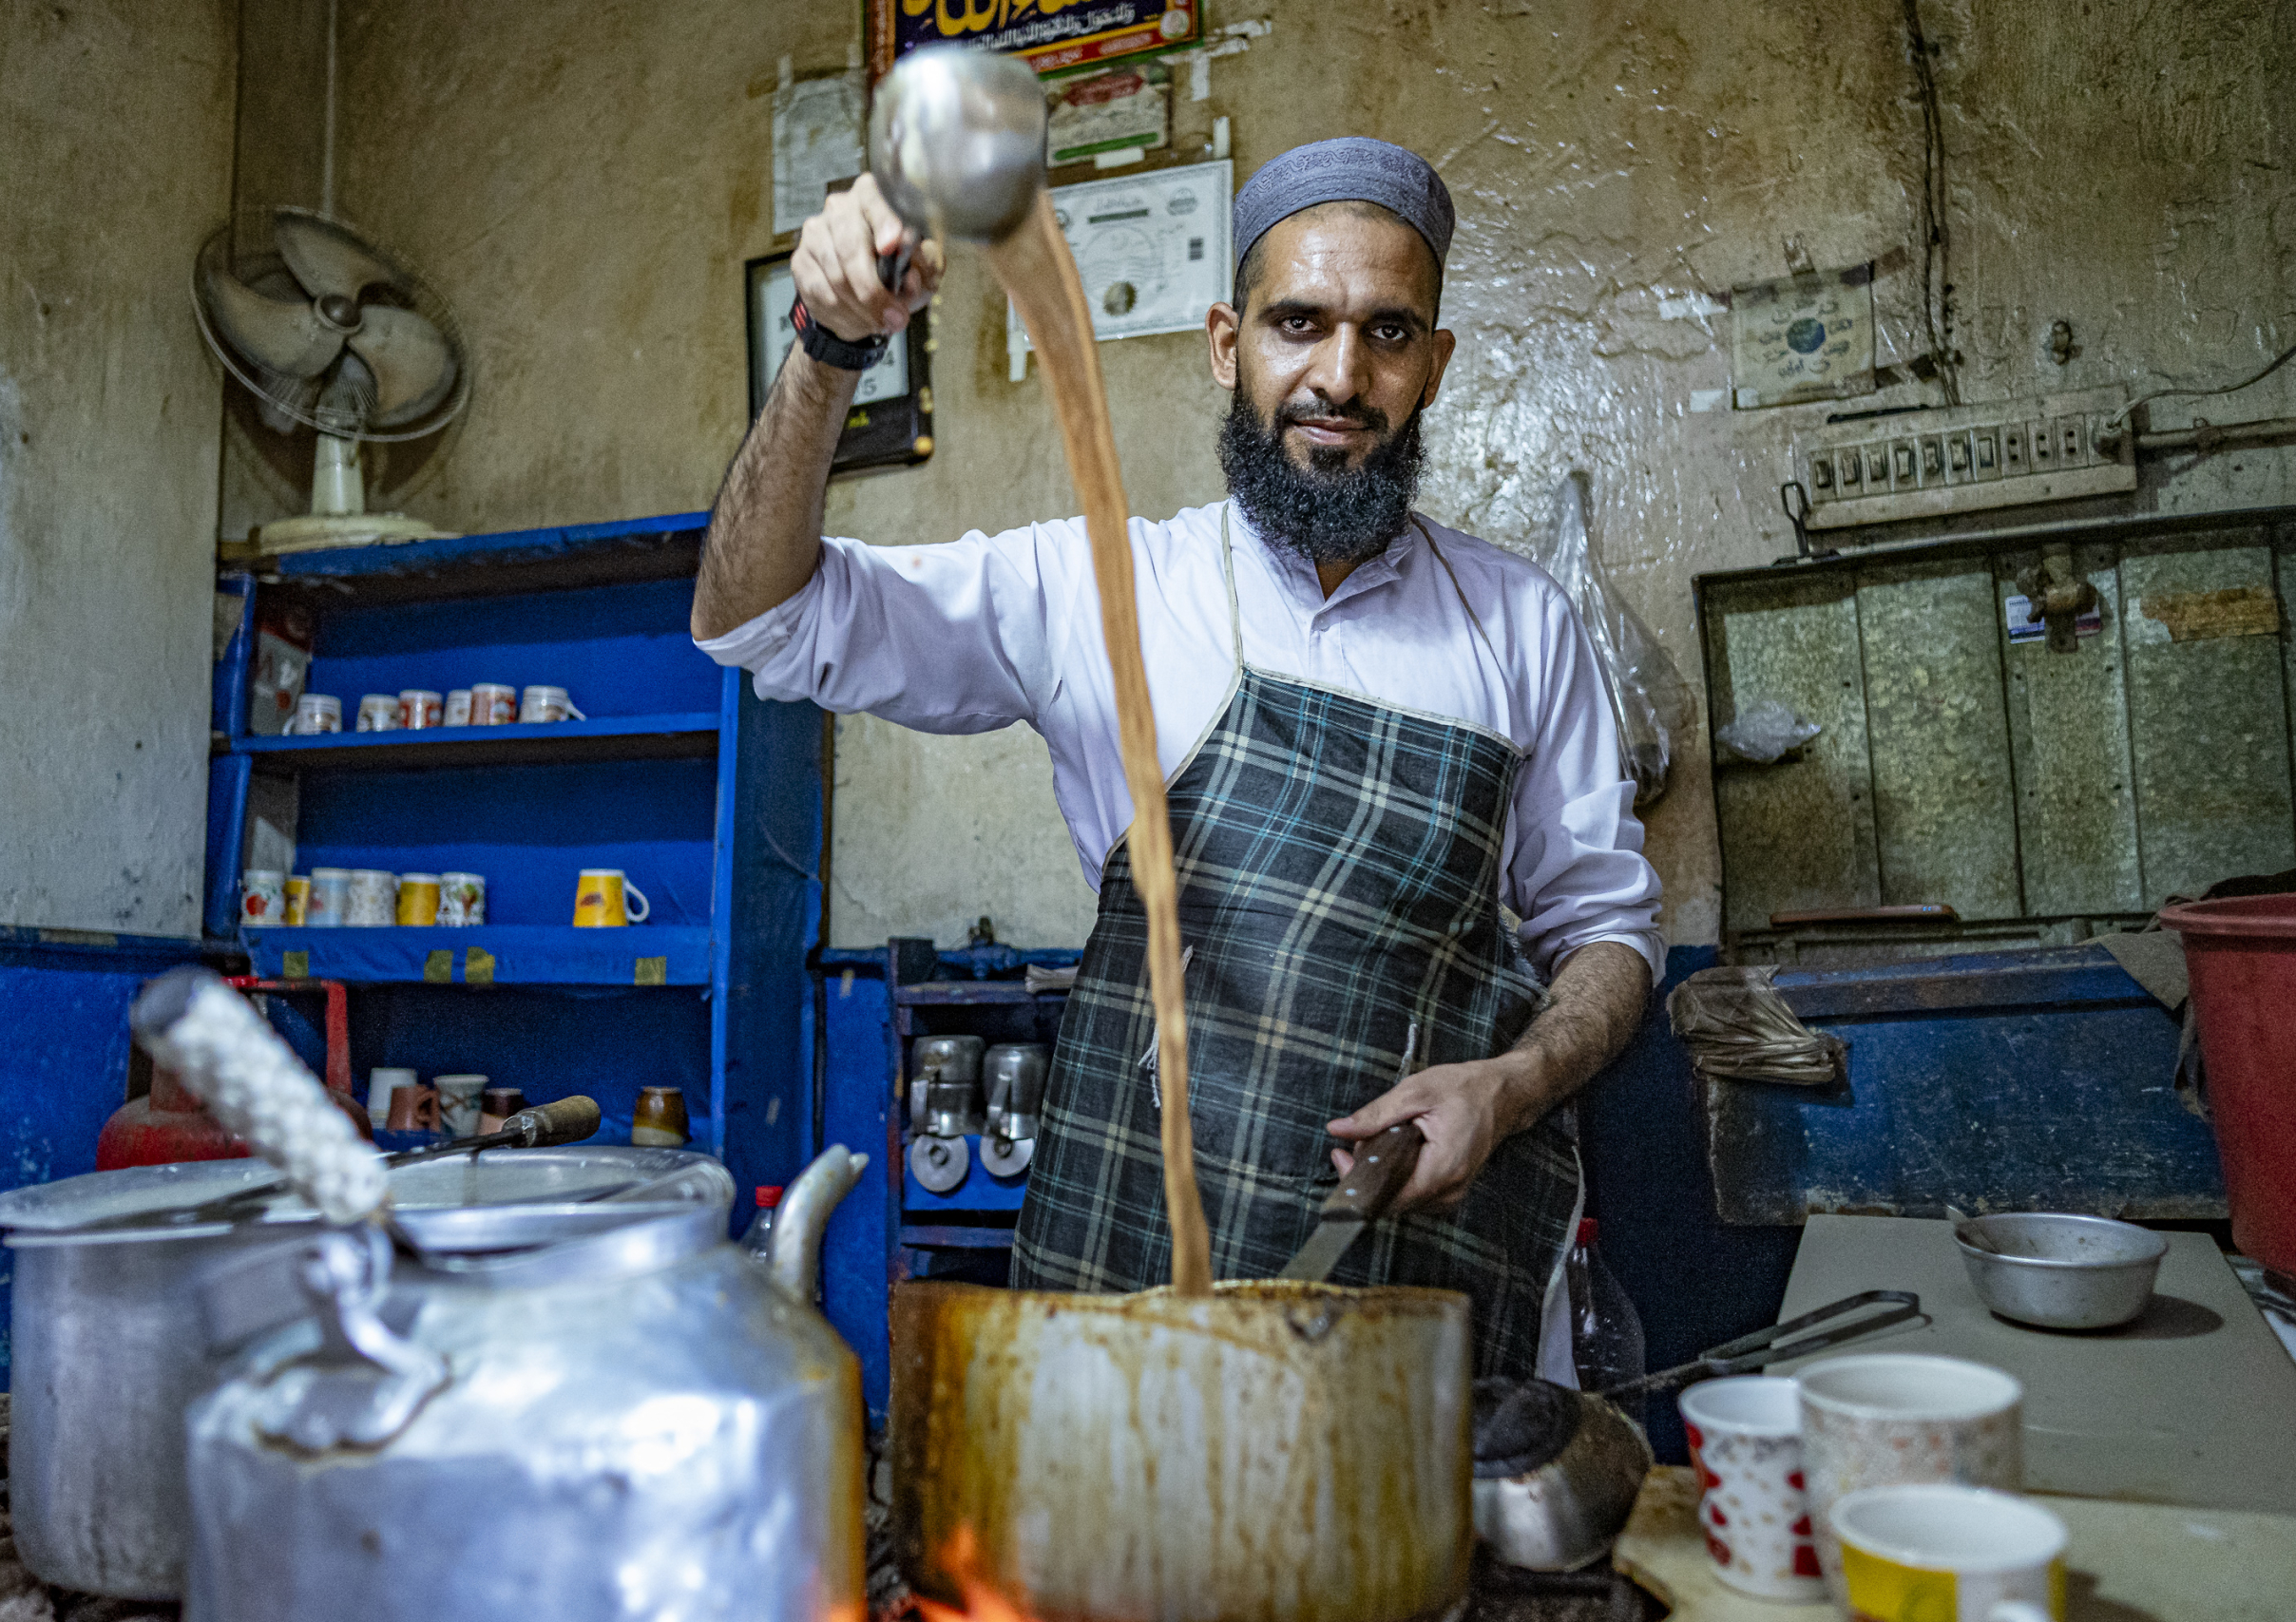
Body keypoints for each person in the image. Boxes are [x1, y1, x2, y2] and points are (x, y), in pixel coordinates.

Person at [694, 136, 1662, 1378]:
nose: (1341, 376)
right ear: (1225, 345)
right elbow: (755, 619)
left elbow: (1606, 934)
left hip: (1426, 1305)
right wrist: (828, 348)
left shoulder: (1521, 624)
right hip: (1135, 1280)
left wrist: (1514, 1085)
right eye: (1298, 323)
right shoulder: (1102, 588)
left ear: (1435, 363)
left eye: (1388, 333)